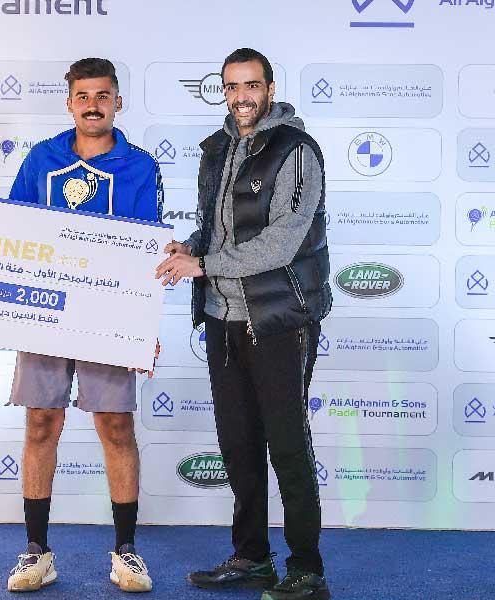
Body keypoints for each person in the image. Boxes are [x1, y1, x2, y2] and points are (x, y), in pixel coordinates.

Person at [156, 48, 332, 600]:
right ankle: (253, 557)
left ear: (270, 88)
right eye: (232, 87)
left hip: (278, 318)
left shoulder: (296, 150)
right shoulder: (216, 148)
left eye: (251, 86)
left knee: (287, 444)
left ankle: (307, 569)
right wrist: (190, 248)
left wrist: (203, 264)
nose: (241, 97)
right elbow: (216, 228)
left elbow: (282, 242)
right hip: (221, 318)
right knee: (238, 445)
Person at [4, 57, 163, 594]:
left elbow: (146, 251)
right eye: (83, 96)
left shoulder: (139, 166)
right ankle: (36, 550)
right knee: (40, 422)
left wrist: (143, 327)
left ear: (118, 102)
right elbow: (11, 232)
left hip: (108, 317)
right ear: (69, 103)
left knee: (116, 426)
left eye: (102, 96)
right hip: (46, 312)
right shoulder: (41, 159)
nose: (92, 105)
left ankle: (126, 551)